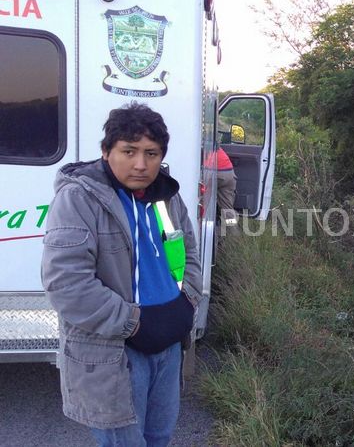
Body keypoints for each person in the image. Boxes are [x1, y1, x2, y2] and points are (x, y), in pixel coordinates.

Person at [41, 102, 201, 447]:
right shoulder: (79, 199)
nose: (141, 164)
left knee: (159, 438)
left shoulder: (167, 197)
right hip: (116, 350)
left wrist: (188, 300)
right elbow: (66, 284)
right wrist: (134, 323)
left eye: (151, 153)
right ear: (106, 151)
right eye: (129, 151)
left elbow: (189, 253)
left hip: (169, 348)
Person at [204, 147, 237, 227]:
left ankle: (197, 231)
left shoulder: (199, 144)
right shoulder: (216, 146)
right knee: (227, 209)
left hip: (215, 174)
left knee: (201, 204)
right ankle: (233, 236)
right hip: (229, 174)